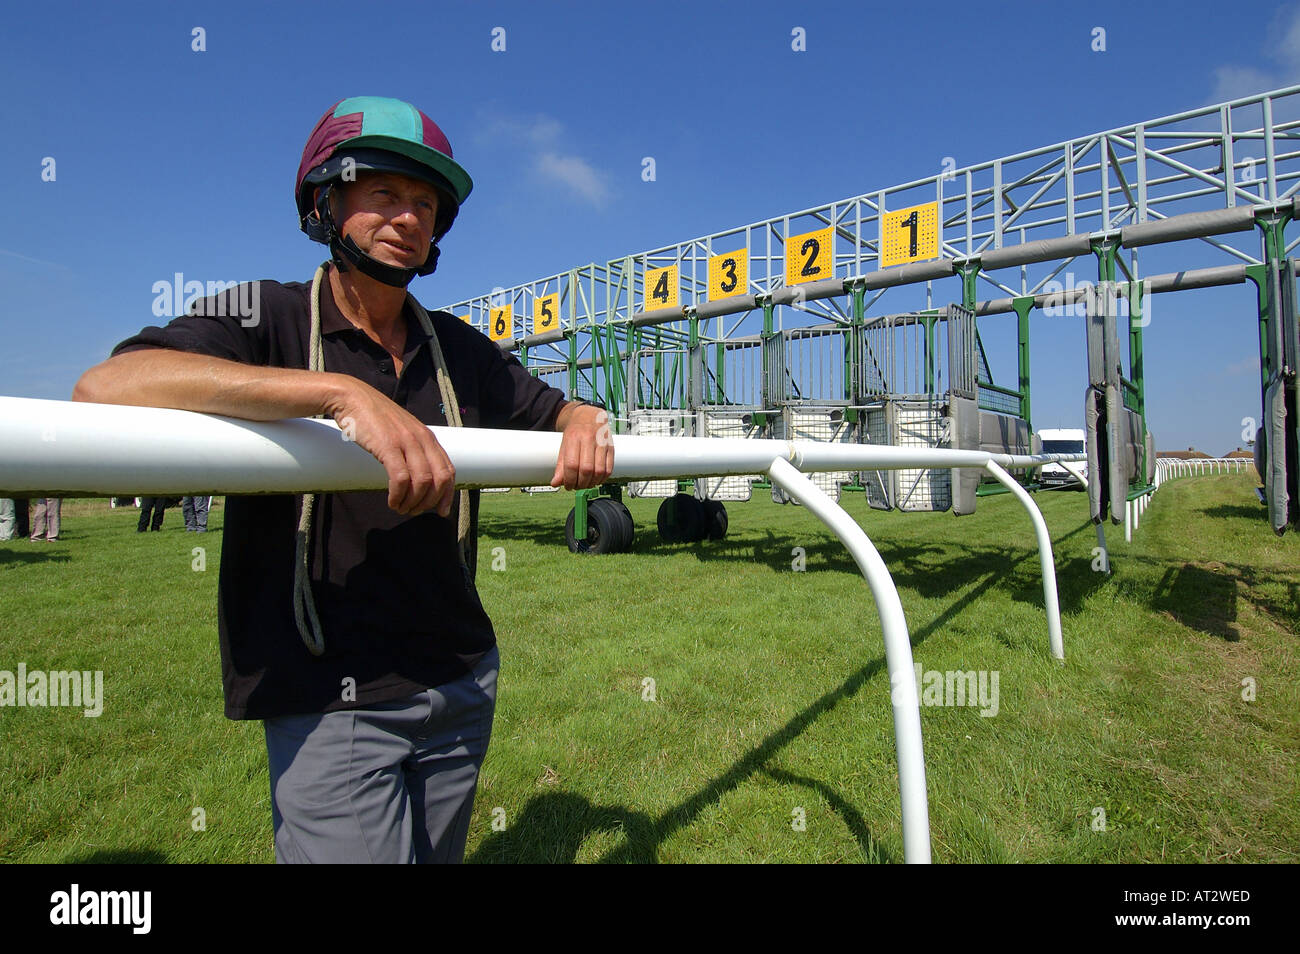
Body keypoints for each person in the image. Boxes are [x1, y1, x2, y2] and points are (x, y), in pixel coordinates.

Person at [72, 96, 613, 863]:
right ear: (325, 203)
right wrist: (338, 394)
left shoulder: (460, 346)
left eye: (425, 203)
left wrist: (585, 418)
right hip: (331, 697)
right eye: (383, 194)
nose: (408, 218)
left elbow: (557, 411)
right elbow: (108, 385)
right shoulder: (261, 311)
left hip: (461, 682)